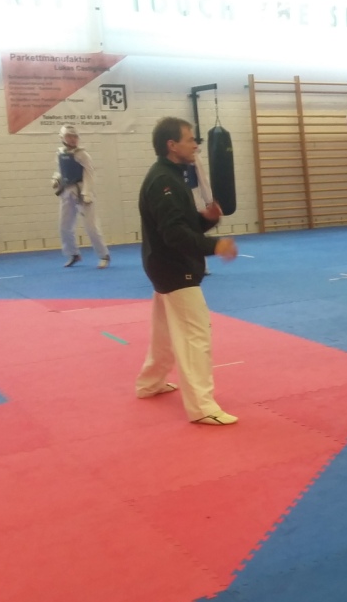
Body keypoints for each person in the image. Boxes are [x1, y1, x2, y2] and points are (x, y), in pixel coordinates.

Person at [134, 117, 239, 426]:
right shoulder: (163, 182)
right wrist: (215, 245)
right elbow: (175, 235)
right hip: (173, 267)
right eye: (190, 139)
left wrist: (206, 220)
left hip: (163, 264)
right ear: (172, 145)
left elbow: (181, 223)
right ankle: (202, 406)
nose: (195, 145)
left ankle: (150, 382)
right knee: (196, 334)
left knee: (165, 331)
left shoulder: (170, 175)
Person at [52, 125, 111, 268]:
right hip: (67, 191)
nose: (72, 139)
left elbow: (89, 174)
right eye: (69, 136)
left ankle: (104, 255)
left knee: (91, 226)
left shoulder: (82, 154)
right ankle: (73, 254)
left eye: (75, 136)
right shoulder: (60, 153)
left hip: (82, 191)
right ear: (62, 138)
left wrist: (87, 193)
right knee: (64, 226)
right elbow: (62, 171)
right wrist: (57, 179)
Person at [182, 146, 216, 274]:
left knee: (196, 229)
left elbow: (202, 178)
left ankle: (202, 265)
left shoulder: (193, 155)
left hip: (193, 194)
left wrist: (209, 200)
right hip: (178, 195)